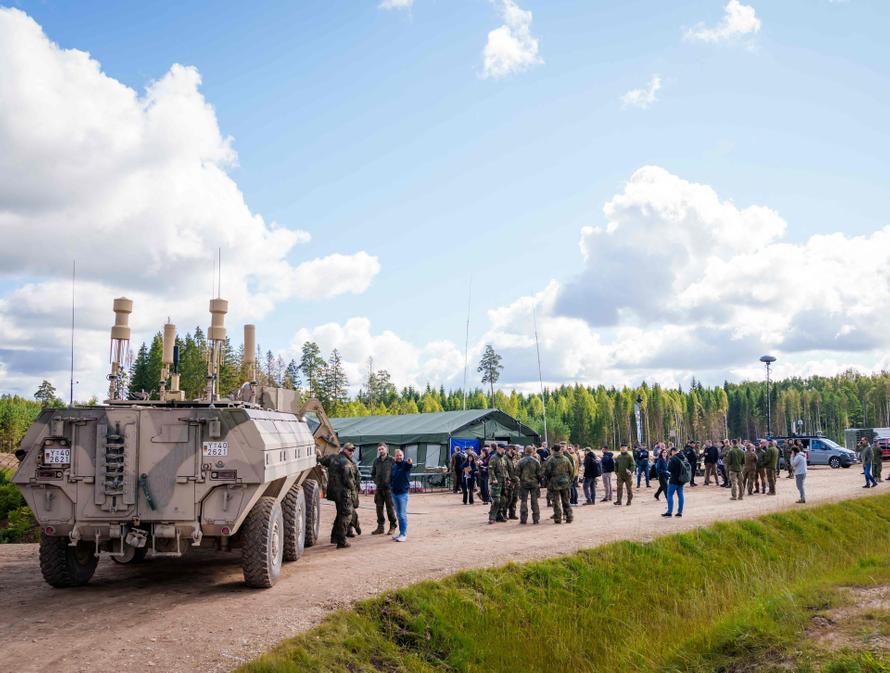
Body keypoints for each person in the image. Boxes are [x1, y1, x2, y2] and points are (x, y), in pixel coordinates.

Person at [318, 442, 358, 549]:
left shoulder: (333, 458)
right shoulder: (346, 463)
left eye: (353, 450)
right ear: (344, 450)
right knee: (345, 516)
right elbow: (349, 481)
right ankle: (341, 540)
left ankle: (334, 537)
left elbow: (322, 460)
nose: (352, 452)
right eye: (350, 450)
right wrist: (353, 492)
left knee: (340, 514)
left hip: (334, 493)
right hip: (344, 494)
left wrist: (317, 455)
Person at [370, 443, 397, 536]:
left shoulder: (392, 460)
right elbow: (373, 473)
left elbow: (396, 473)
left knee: (390, 508)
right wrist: (376, 481)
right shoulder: (376, 461)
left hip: (389, 489)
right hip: (379, 489)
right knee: (379, 508)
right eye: (379, 449)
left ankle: (393, 526)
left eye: (382, 449)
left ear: (386, 449)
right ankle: (380, 527)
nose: (381, 451)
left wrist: (392, 483)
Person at [543, 444, 574, 524]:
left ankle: (558, 518)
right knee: (566, 500)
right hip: (565, 482)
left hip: (554, 483)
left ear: (553, 450)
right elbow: (571, 470)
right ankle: (569, 517)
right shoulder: (566, 459)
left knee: (556, 502)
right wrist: (569, 479)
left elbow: (547, 472)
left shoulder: (550, 459)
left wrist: (550, 479)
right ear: (560, 449)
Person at [390, 448, 413, 541]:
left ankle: (403, 534)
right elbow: (392, 478)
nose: (399, 457)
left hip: (403, 494)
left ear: (403, 456)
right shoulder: (394, 466)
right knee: (398, 514)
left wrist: (409, 463)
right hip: (394, 493)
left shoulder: (405, 464)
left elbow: (409, 465)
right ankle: (400, 533)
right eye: (397, 455)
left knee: (402, 514)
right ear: (395, 457)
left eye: (400, 455)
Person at [517, 445, 543, 524]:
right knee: (534, 501)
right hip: (534, 483)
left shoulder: (521, 461)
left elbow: (517, 473)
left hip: (524, 483)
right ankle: (536, 519)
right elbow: (539, 474)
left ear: (525, 451)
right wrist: (539, 482)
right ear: (532, 452)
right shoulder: (536, 461)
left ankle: (523, 519)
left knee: (524, 501)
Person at [487, 444, 509, 524]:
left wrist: (507, 479)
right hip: (496, 482)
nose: (505, 451)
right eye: (504, 449)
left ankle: (499, 515)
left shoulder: (503, 458)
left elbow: (505, 469)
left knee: (503, 500)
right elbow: (490, 469)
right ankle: (492, 517)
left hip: (503, 482)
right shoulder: (494, 457)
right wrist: (494, 479)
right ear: (499, 449)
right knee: (496, 500)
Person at [663, 447, 687, 518]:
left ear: (673, 451)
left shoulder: (673, 459)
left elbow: (669, 469)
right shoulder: (683, 457)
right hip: (681, 480)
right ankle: (680, 512)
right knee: (680, 496)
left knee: (669, 495)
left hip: (673, 480)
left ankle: (669, 512)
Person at [502, 445, 520, 520]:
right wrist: (507, 479)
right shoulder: (505, 458)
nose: (516, 451)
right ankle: (504, 514)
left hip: (516, 481)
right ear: (510, 449)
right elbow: (504, 470)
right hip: (509, 482)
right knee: (508, 499)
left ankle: (512, 514)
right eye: (514, 449)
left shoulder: (514, 458)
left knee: (515, 498)